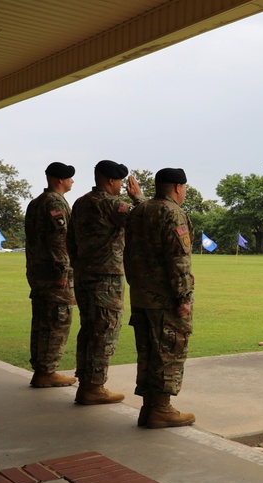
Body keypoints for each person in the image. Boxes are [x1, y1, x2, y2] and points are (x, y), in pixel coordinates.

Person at [68, 160, 143, 404]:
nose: (122, 186)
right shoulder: (111, 204)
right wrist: (138, 198)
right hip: (106, 278)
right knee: (104, 330)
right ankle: (94, 387)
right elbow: (144, 221)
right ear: (111, 180)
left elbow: (70, 240)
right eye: (120, 181)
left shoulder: (80, 202)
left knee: (89, 329)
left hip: (83, 276)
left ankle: (86, 383)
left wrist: (79, 266)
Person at [125, 168, 196, 428]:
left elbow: (127, 254)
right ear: (178, 187)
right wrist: (184, 297)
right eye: (185, 188)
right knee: (169, 351)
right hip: (165, 298)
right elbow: (179, 260)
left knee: (148, 352)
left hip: (141, 295)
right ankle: (162, 409)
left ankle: (149, 409)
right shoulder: (173, 213)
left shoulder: (139, 211)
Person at [25, 162, 77, 388]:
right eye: (70, 177)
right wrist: (63, 270)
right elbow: (59, 239)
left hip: (38, 273)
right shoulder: (55, 203)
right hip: (54, 275)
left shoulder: (35, 203)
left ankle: (41, 369)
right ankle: (47, 371)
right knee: (57, 320)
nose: (72, 181)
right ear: (59, 180)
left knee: (41, 321)